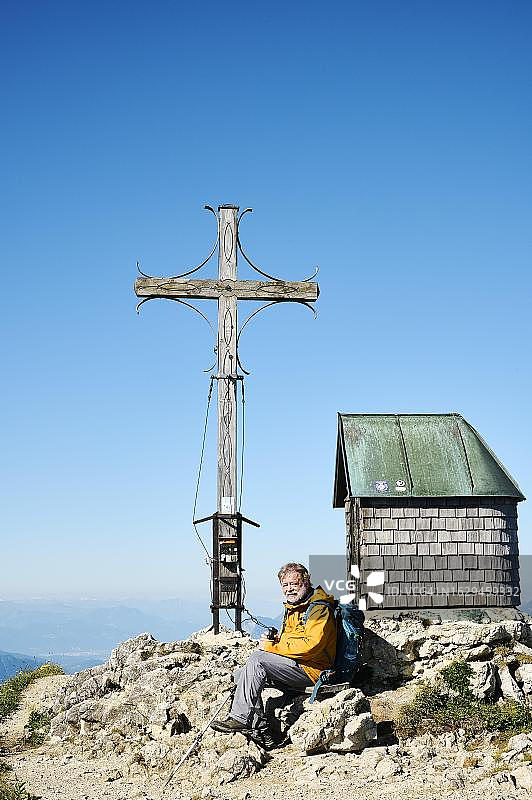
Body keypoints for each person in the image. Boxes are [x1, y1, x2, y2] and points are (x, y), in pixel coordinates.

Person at [210, 562, 337, 748]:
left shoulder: (318, 609)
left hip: (313, 669)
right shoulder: (296, 607)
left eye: (294, 584)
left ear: (306, 582)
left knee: (257, 660)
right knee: (242, 674)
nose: (289, 589)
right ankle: (261, 730)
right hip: (297, 664)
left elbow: (312, 645)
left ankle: (240, 718)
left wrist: (273, 648)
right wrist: (277, 640)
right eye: (285, 585)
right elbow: (296, 639)